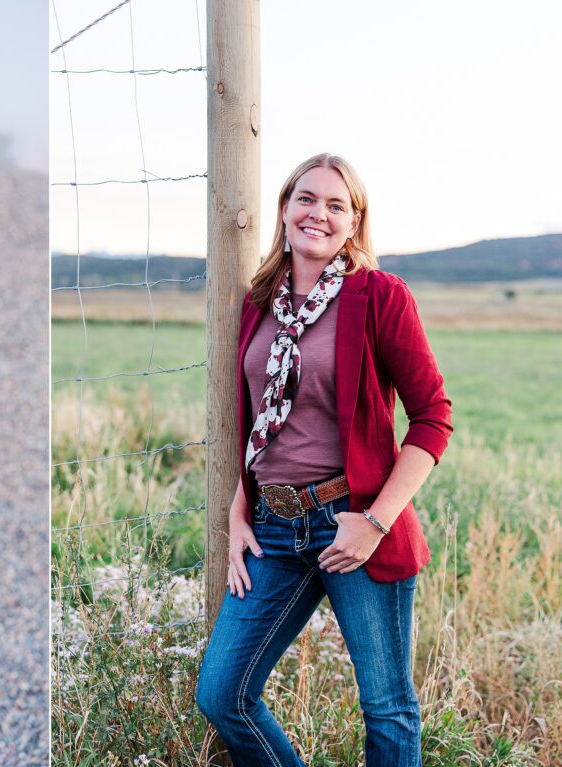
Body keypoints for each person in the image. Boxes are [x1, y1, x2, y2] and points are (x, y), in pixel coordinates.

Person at [195, 153, 452, 767]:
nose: (319, 214)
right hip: (275, 529)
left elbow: (433, 419)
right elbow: (261, 426)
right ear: (284, 209)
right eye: (306, 198)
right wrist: (240, 511)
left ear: (354, 222)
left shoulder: (378, 296)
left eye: (337, 205)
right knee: (223, 695)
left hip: (354, 521)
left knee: (387, 708)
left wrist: (376, 522)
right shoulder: (257, 305)